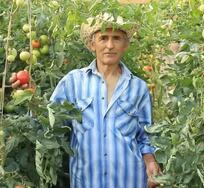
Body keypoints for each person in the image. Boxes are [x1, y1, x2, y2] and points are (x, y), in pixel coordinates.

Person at [51, 12, 162, 188]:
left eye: (116, 38)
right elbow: (52, 126)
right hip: (86, 181)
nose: (110, 45)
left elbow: (145, 135)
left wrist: (150, 161)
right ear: (92, 44)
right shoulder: (72, 83)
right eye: (103, 38)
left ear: (125, 45)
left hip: (130, 180)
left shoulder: (138, 88)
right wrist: (30, 99)